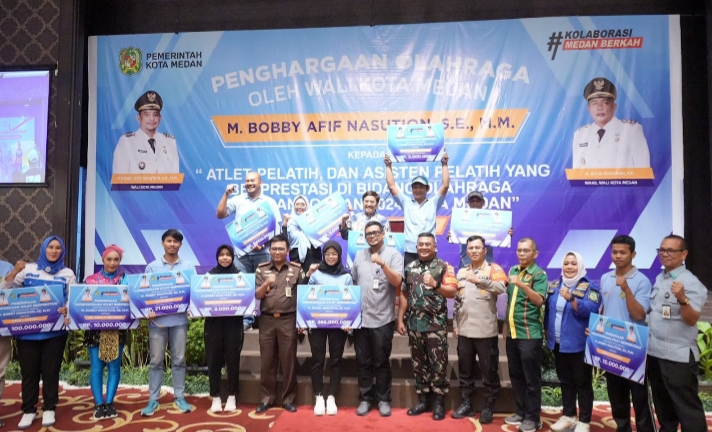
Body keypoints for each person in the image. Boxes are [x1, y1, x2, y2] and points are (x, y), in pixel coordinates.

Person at [0, 236, 76, 429]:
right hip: (27, 333)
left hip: (55, 333)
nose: (54, 251)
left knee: (51, 372)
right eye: (50, 247)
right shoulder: (28, 270)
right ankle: (28, 410)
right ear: (43, 249)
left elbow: (72, 299)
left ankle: (50, 407)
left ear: (62, 251)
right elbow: (5, 291)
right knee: (29, 372)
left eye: (58, 248)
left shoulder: (67, 273)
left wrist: (67, 310)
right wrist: (15, 271)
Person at [647, 235, 707, 432]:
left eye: (671, 250)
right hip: (655, 354)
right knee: (663, 407)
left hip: (678, 357)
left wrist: (682, 299)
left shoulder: (691, 283)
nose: (664, 254)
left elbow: (691, 319)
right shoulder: (660, 278)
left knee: (687, 408)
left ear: (684, 254)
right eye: (662, 250)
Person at [397, 232, 457, 421]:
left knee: (438, 364)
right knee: (419, 364)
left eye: (427, 244)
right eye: (420, 244)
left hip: (435, 325)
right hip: (414, 324)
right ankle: (423, 400)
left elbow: (452, 292)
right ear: (416, 247)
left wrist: (435, 284)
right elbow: (404, 295)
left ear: (435, 247)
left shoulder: (444, 267)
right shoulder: (410, 267)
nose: (423, 247)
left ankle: (439, 402)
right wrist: (400, 319)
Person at [599, 235, 654, 432]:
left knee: (640, 397)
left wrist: (626, 289)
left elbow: (639, 314)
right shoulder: (605, 278)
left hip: (634, 346)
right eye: (615, 252)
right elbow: (604, 310)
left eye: (623, 252)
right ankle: (623, 428)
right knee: (616, 395)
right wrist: (597, 329)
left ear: (633, 254)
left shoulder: (642, 281)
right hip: (611, 344)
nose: (618, 256)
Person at [451, 235, 507, 423]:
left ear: (485, 250)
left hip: (485, 331)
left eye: (477, 247)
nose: (474, 251)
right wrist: (455, 324)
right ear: (466, 251)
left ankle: (489, 405)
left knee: (488, 370)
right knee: (465, 370)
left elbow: (501, 288)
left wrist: (479, 281)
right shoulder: (461, 272)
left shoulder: (493, 269)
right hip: (464, 331)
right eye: (471, 248)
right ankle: (467, 403)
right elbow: (458, 300)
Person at [351, 221, 404, 417]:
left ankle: (383, 400)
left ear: (383, 234)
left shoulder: (393, 255)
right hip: (361, 319)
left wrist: (383, 264)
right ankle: (365, 399)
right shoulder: (359, 255)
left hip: (382, 318)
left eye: (375, 232)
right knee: (363, 362)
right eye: (368, 233)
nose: (372, 236)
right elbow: (354, 282)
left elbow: (397, 281)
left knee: (381, 362)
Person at [140, 229, 195, 417]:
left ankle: (179, 396)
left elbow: (193, 291)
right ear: (163, 243)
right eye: (169, 241)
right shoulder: (152, 267)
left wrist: (193, 306)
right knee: (156, 361)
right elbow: (144, 293)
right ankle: (153, 399)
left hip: (179, 321)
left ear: (181, 245)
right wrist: (147, 310)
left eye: (176, 241)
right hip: (157, 322)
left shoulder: (188, 266)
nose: (172, 244)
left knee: (179, 360)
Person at [544, 252, 601, 432]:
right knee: (565, 381)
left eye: (573, 264)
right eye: (566, 263)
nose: (569, 267)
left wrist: (571, 298)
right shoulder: (555, 285)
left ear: (581, 266)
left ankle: (584, 420)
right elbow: (548, 311)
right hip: (558, 344)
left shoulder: (590, 287)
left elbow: (592, 311)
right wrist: (547, 332)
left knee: (582, 383)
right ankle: (569, 415)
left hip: (579, 344)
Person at [303, 241, 353, 416]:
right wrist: (305, 320)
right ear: (323, 255)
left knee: (336, 360)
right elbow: (305, 295)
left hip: (338, 325)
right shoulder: (316, 274)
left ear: (339, 255)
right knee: (317, 360)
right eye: (327, 254)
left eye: (334, 254)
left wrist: (349, 322)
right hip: (317, 324)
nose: (331, 257)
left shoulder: (346, 277)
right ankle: (318, 396)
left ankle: (331, 396)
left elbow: (351, 300)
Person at [504, 238, 548, 432]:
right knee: (516, 375)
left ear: (535, 254)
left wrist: (522, 285)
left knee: (532, 379)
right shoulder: (513, 270)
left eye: (526, 250)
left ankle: (533, 418)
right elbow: (510, 302)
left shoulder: (539, 274)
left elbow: (539, 301)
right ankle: (521, 412)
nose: (521, 254)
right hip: (512, 332)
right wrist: (505, 325)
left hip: (530, 333)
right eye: (519, 250)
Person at [254, 235, 301, 414]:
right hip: (266, 319)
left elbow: (302, 297)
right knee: (267, 360)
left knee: (288, 360)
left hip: (288, 319)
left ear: (288, 250)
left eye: (281, 249)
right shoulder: (262, 269)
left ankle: (288, 399)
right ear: (269, 250)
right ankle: (267, 398)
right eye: (274, 249)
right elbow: (258, 295)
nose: (277, 252)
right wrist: (267, 283)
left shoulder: (296, 269)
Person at [83, 244, 128, 421]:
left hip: (117, 330)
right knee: (97, 367)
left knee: (114, 367)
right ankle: (99, 404)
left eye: (116, 259)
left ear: (120, 261)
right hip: (95, 330)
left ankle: (109, 403)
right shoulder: (90, 280)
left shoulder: (126, 280)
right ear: (102, 259)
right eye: (109, 259)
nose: (112, 263)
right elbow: (82, 304)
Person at [385, 152, 450, 268]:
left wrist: (444, 164)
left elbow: (445, 185)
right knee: (410, 279)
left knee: (430, 279)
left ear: (427, 189)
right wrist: (388, 166)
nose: (418, 190)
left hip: (429, 250)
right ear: (411, 189)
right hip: (410, 251)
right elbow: (392, 186)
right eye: (415, 187)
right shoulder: (406, 202)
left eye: (421, 187)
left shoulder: (433, 202)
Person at [572, 77, 650, 169]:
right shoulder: (581, 134)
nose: (600, 108)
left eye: (605, 103)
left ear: (614, 107)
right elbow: (577, 173)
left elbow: (644, 171)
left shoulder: (631, 131)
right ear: (589, 109)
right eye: (595, 103)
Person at [216, 172, 281, 274]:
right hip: (242, 255)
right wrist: (226, 194)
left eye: (252, 180)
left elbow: (276, 228)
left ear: (260, 183)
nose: (249, 183)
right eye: (247, 181)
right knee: (242, 284)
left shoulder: (270, 202)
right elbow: (220, 214)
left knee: (264, 283)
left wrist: (262, 243)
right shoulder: (238, 200)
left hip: (263, 254)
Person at [205, 245, 243, 413]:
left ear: (233, 257)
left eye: (228, 255)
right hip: (213, 325)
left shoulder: (240, 276)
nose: (225, 258)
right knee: (213, 360)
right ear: (217, 257)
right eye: (221, 255)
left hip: (233, 324)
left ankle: (232, 396)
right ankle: (215, 396)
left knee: (233, 360)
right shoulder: (209, 276)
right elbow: (201, 298)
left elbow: (246, 298)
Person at [112, 90, 179, 174]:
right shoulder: (126, 142)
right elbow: (119, 178)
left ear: (160, 118)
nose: (152, 119)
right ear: (138, 118)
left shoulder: (169, 141)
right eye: (147, 115)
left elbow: (174, 177)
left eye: (155, 114)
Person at [456, 191, 513, 268]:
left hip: (486, 262)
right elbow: (456, 234)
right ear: (468, 203)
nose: (475, 203)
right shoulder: (461, 219)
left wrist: (506, 234)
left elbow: (500, 235)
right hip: (466, 263)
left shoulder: (492, 219)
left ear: (483, 202)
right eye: (472, 201)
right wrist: (452, 236)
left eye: (478, 201)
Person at [282, 195, 322, 273]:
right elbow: (284, 241)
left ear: (307, 206)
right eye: (297, 204)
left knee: (313, 278)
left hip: (313, 255)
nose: (299, 207)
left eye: (302, 204)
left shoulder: (314, 220)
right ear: (293, 206)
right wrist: (285, 224)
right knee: (297, 278)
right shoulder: (289, 222)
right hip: (295, 257)